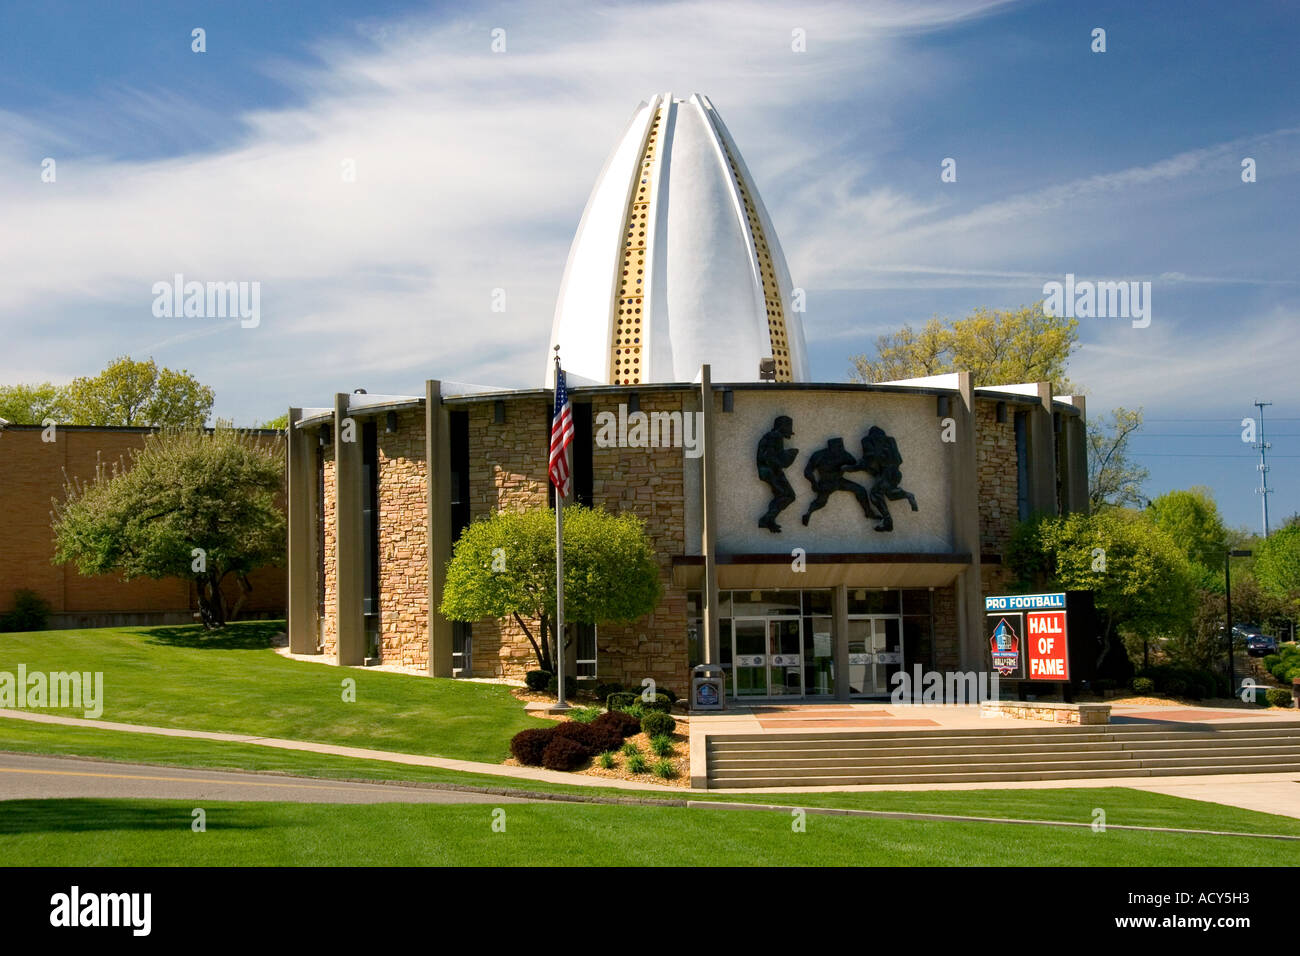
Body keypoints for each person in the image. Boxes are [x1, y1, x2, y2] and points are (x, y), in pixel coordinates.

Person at [856, 426, 918, 532]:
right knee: (891, 494)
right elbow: (899, 460)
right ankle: (908, 495)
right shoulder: (890, 442)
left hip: (886, 473)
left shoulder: (868, 441)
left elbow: (870, 459)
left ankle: (888, 521)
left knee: (875, 494)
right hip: (896, 473)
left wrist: (860, 465)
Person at [801, 437, 873, 526]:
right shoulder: (819, 455)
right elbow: (807, 471)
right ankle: (808, 513)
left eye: (840, 448)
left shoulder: (843, 454)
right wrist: (814, 483)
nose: (838, 450)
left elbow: (854, 465)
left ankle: (868, 512)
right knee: (820, 502)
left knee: (860, 490)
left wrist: (850, 467)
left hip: (839, 481)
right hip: (826, 483)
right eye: (837, 448)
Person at [756, 415, 798, 532]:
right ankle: (766, 519)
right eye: (788, 429)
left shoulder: (773, 436)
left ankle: (769, 520)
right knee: (788, 496)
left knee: (784, 496)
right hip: (771, 472)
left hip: (772, 471)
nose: (789, 434)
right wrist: (788, 457)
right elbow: (769, 457)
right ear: (782, 427)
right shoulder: (775, 436)